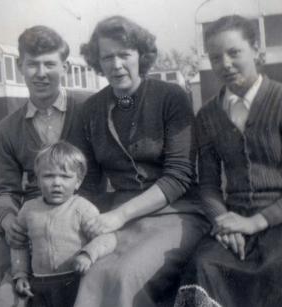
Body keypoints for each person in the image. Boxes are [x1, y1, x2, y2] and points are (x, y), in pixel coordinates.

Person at [173, 15, 282, 307]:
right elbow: (207, 186)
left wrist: (255, 222)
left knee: (278, 281)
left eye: (234, 52)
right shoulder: (207, 116)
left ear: (257, 51)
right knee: (203, 266)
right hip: (234, 221)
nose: (225, 64)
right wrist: (224, 222)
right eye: (216, 57)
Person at [72, 15, 210, 307]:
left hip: (176, 214)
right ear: (97, 61)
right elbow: (88, 183)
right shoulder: (91, 110)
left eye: (125, 54)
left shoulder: (170, 97)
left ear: (141, 56)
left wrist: (119, 216)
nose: (116, 64)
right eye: (107, 57)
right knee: (93, 275)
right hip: (118, 218)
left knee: (125, 274)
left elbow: (178, 177)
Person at [0, 25, 91, 307]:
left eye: (49, 64)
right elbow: (4, 190)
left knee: (13, 294)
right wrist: (9, 222)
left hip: (76, 219)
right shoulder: (7, 128)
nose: (41, 73)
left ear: (65, 67)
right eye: (32, 64)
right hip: (27, 220)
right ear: (20, 66)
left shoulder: (88, 109)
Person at [10, 141, 117, 307]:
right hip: (40, 282)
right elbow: (18, 243)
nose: (56, 183)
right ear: (37, 180)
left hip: (75, 280)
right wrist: (20, 274)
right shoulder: (29, 210)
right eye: (48, 176)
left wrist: (88, 254)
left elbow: (108, 238)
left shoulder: (82, 208)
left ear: (78, 182)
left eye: (65, 176)